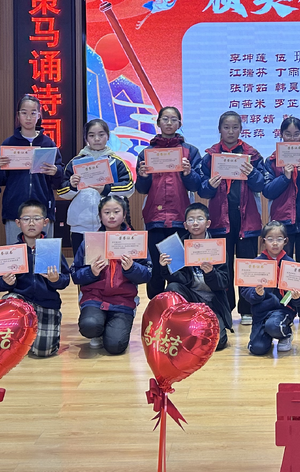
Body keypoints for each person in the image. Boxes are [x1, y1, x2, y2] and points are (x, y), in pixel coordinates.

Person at [198, 110, 265, 324]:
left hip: (247, 219)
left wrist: (252, 173)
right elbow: (202, 190)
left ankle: (247, 309)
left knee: (247, 265)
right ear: (219, 129)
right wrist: (209, 185)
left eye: (235, 127)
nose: (230, 131)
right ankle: (225, 308)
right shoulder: (210, 157)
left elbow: (261, 185)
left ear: (241, 129)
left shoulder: (252, 155)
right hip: (220, 219)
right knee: (223, 266)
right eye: (226, 127)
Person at [136, 106, 203, 299]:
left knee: (179, 266)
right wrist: (143, 176)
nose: (169, 123)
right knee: (156, 268)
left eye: (174, 119)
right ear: (158, 122)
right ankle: (157, 306)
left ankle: (179, 305)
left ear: (179, 124)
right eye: (165, 119)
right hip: (155, 218)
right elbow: (142, 189)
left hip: (180, 217)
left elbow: (196, 185)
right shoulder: (147, 152)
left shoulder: (190, 151)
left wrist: (189, 173)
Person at [262, 117, 300, 326]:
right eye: (288, 134)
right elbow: (267, 191)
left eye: (296, 134)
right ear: (281, 135)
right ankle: (284, 308)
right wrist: (285, 177)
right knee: (282, 266)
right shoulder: (272, 161)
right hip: (282, 224)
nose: (292, 138)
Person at [71, 195, 150, 355]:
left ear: (124, 214)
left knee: (115, 346)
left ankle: (116, 323)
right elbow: (76, 275)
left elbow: (147, 274)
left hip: (122, 300)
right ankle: (98, 329)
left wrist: (132, 268)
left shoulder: (134, 241)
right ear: (100, 216)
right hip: (94, 298)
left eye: (116, 211)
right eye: (107, 212)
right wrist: (91, 272)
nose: (112, 216)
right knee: (89, 326)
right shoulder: (90, 241)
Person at [0, 199, 70, 358]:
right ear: (18, 223)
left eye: (36, 218)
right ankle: (20, 337)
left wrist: (55, 279)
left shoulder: (52, 249)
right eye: (26, 219)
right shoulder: (12, 252)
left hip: (47, 303)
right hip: (21, 301)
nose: (31, 223)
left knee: (43, 352)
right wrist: (5, 282)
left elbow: (65, 280)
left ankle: (37, 333)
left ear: (45, 222)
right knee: (8, 301)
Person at [0, 94, 63, 244]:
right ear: (18, 115)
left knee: (44, 253)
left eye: (33, 113)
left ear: (39, 115)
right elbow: (0, 180)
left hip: (42, 209)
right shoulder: (9, 144)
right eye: (24, 113)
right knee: (17, 254)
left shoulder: (48, 143)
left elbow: (59, 180)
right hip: (15, 210)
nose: (28, 117)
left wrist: (56, 171)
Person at [159, 203, 232, 351]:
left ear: (208, 223)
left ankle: (195, 332)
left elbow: (224, 282)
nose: (195, 223)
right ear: (185, 225)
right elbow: (176, 279)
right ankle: (180, 325)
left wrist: (211, 273)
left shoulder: (217, 247)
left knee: (218, 343)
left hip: (213, 301)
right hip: (190, 298)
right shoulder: (178, 246)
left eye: (200, 219)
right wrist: (165, 267)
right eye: (191, 220)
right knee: (172, 288)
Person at [58, 118, 134, 258]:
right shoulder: (76, 162)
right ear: (86, 138)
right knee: (82, 264)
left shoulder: (116, 162)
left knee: (109, 264)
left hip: (110, 224)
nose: (97, 139)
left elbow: (129, 187)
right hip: (80, 225)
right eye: (92, 135)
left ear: (108, 136)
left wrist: (105, 189)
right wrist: (72, 185)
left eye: (101, 134)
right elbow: (61, 191)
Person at [239, 220, 300, 356]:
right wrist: (257, 293)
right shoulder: (255, 264)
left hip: (283, 310)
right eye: (270, 239)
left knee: (274, 326)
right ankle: (266, 335)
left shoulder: (292, 265)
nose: (275, 243)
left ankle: (285, 334)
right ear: (263, 241)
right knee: (257, 349)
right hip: (260, 312)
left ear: (285, 241)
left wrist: (297, 297)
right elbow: (245, 290)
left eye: (279, 239)